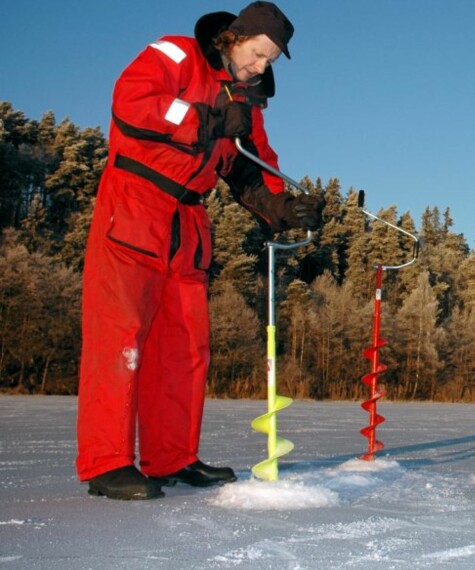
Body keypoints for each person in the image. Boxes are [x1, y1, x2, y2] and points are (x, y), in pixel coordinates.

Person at [76, 2, 324, 500]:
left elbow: (251, 167)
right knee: (120, 339)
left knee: (185, 348)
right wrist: (205, 119)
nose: (261, 67)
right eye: (258, 54)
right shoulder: (176, 53)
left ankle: (173, 457)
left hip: (188, 223)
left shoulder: (246, 101)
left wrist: (283, 207)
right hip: (134, 206)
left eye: (270, 61)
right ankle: (107, 463)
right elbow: (132, 101)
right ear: (234, 37)